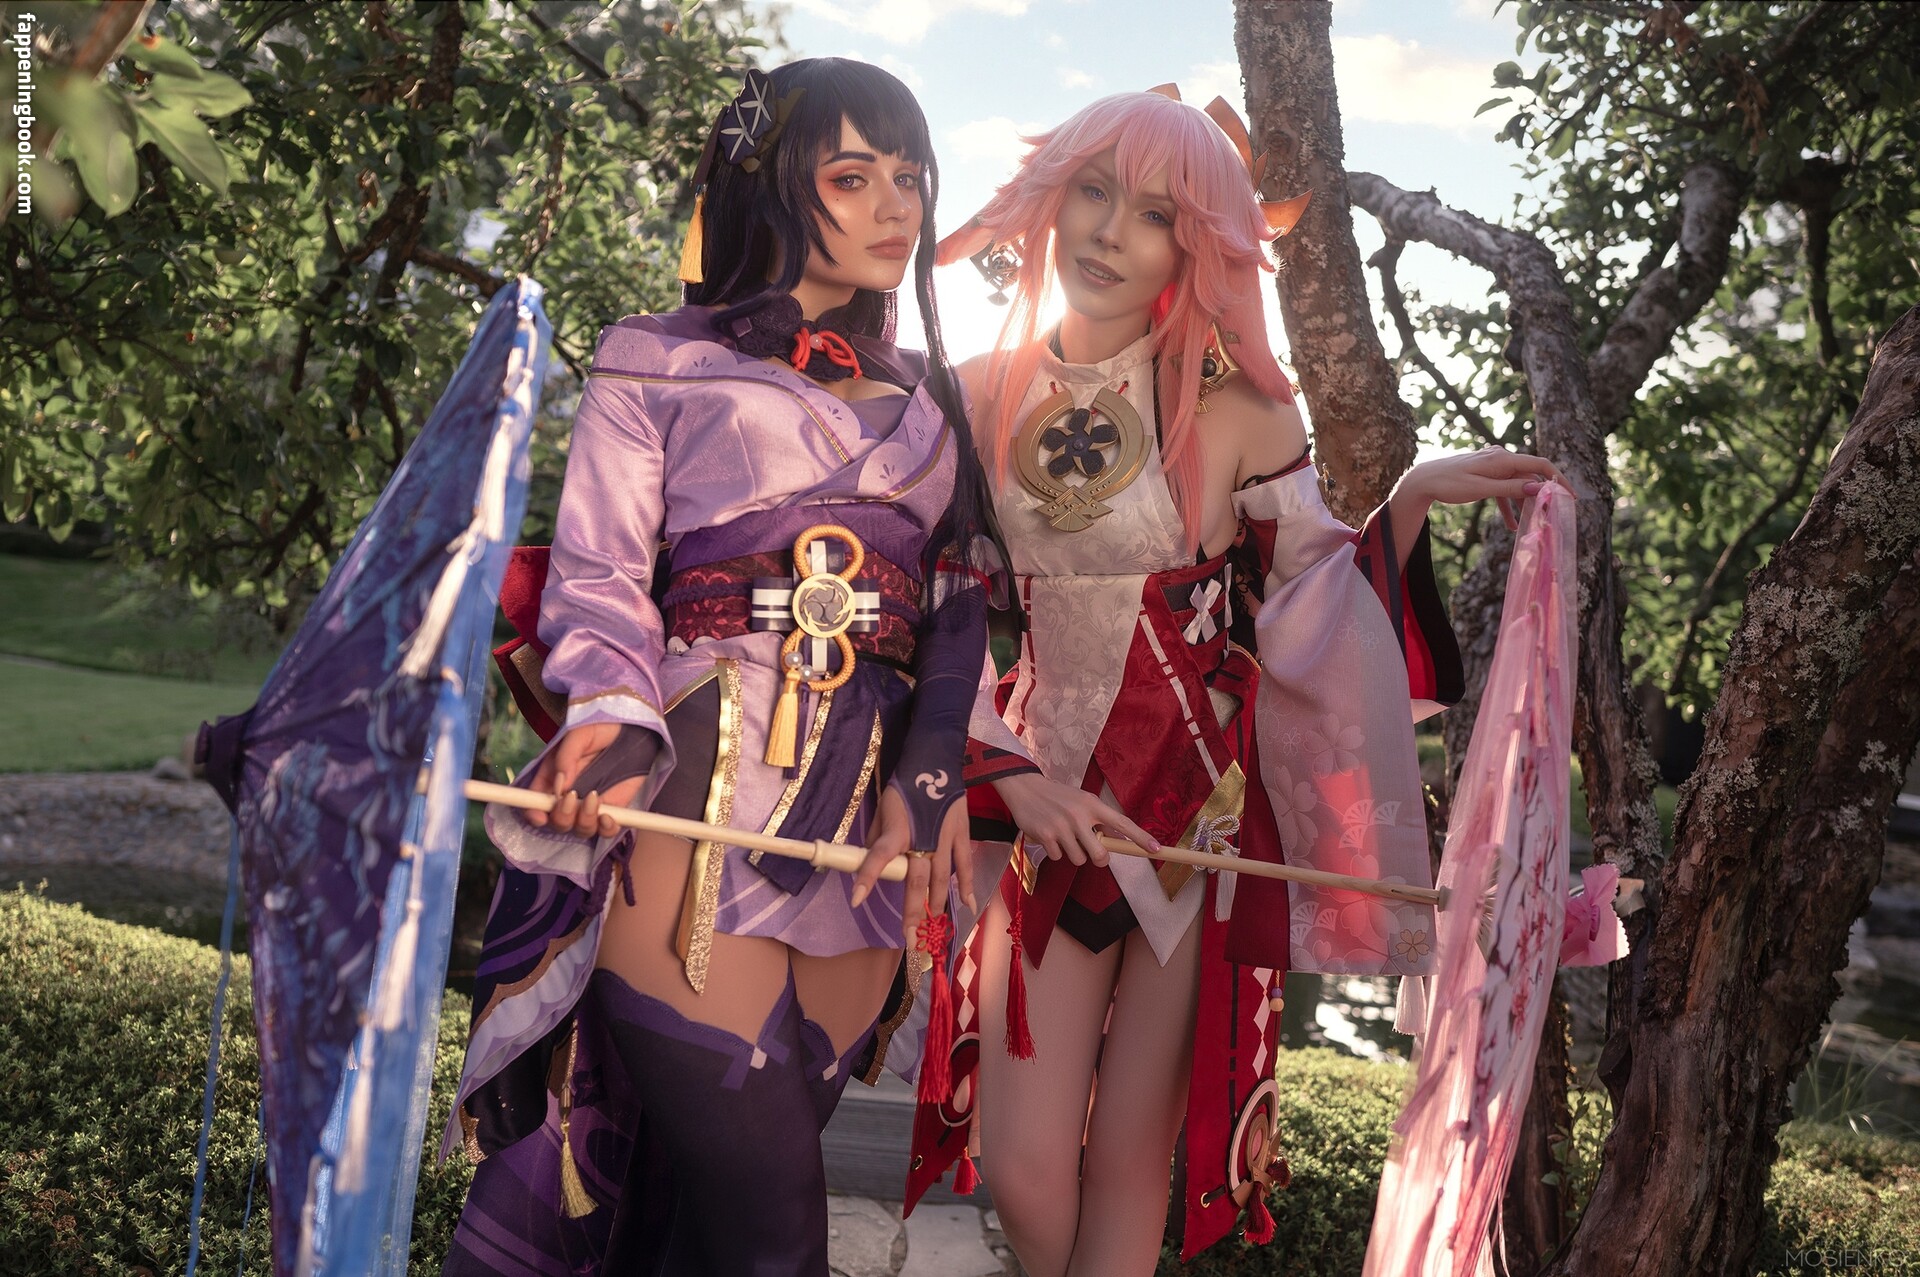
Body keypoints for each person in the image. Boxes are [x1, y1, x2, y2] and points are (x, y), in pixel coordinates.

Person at [906, 89, 1566, 1275]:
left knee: (1129, 1162)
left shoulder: (1246, 409)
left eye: (1156, 213)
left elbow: (1314, 609)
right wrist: (1003, 772)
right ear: (1050, 200)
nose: (1111, 232)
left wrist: (1408, 501)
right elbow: (930, 613)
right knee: (1025, 1165)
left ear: (1196, 244)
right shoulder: (968, 391)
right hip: (1042, 810)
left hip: (1200, 831)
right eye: (1093, 192)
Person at [439, 57, 993, 1276]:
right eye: (854, 176)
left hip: (863, 839)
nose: (896, 207)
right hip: (694, 802)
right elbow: (599, 571)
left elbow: (962, 599)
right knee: (776, 1230)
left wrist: (933, 775)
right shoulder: (653, 354)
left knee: (705, 1234)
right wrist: (612, 716)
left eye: (911, 178)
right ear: (769, 181)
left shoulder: (939, 397)